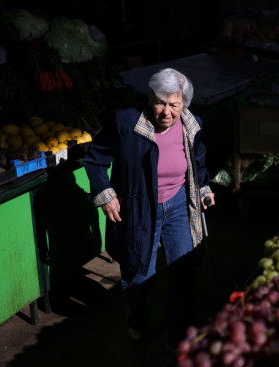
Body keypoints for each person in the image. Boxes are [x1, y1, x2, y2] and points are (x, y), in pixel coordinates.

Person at [83, 67, 215, 348]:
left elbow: (198, 159)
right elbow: (95, 160)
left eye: (174, 104)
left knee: (182, 271)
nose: (166, 112)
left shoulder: (192, 125)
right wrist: (105, 195)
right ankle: (137, 320)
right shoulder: (126, 123)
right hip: (139, 206)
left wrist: (203, 187)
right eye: (160, 102)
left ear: (184, 104)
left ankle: (175, 335)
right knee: (139, 273)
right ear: (150, 99)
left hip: (179, 204)